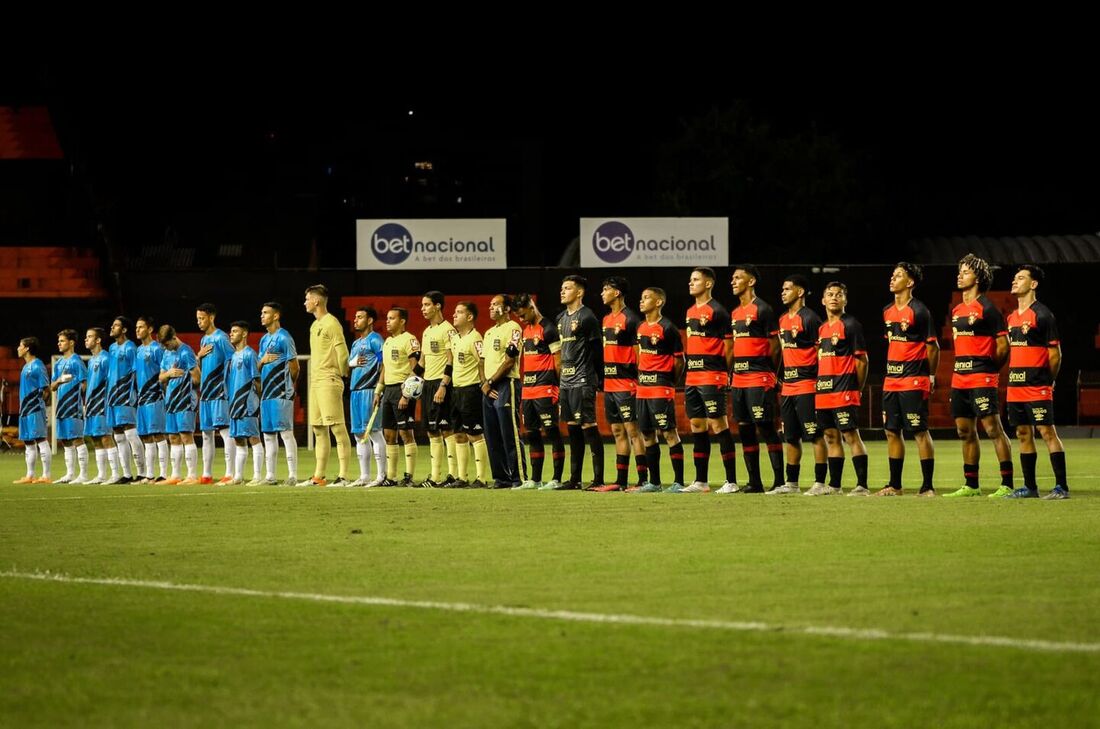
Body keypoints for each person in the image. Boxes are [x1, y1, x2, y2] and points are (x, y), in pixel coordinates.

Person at [945, 254, 1014, 498]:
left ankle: (1006, 483)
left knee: (993, 429)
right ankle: (971, 485)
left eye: (965, 271)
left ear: (978, 277)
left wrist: (990, 367)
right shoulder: (956, 310)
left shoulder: (987, 309)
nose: (960, 274)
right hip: (959, 377)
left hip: (981, 376)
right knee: (965, 431)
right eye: (960, 270)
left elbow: (1003, 345)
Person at [1005, 265, 1070, 500]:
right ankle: (1030, 488)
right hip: (1015, 386)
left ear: (1033, 284)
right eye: (1014, 278)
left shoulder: (1042, 314)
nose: (1015, 281)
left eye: (1021, 278)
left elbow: (1055, 355)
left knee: (1046, 432)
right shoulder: (1012, 317)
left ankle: (1061, 487)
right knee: (1023, 433)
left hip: (1036, 385)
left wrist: (1047, 380)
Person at [879, 262, 939, 496]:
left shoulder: (920, 311)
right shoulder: (887, 310)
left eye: (899, 275)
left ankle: (927, 487)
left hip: (914, 379)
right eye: (892, 274)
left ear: (910, 282)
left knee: (919, 430)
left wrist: (930, 376)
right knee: (892, 431)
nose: (893, 279)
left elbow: (933, 347)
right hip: (890, 380)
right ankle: (895, 485)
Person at [808, 282, 870, 496]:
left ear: (845, 300)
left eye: (839, 295)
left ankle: (862, 485)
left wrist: (856, 388)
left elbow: (862, 360)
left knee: (851, 436)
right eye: (830, 294)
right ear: (823, 300)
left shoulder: (851, 325)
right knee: (831, 437)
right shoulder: (822, 328)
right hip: (824, 392)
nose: (834, 297)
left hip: (844, 391)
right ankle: (834, 486)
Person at [683, 267, 737, 494]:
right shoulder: (689, 311)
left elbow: (729, 346)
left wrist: (724, 373)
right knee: (697, 425)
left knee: (718, 424)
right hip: (692, 376)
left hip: (711, 374)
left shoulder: (718, 311)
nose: (691, 283)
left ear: (708, 284)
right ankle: (700, 481)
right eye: (690, 280)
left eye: (695, 280)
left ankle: (731, 481)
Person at [730, 265, 783, 493]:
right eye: (732, 278)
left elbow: (775, 347)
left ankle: (780, 482)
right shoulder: (735, 313)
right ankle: (754, 482)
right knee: (744, 429)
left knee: (766, 427)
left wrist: (769, 372)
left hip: (759, 378)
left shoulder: (763, 309)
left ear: (750, 282)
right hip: (739, 380)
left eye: (738, 278)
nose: (733, 281)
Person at [593, 276, 646, 492]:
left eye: (606, 289)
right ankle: (621, 480)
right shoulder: (606, 320)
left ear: (617, 293)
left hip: (627, 383)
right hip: (610, 384)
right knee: (617, 431)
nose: (602, 293)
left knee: (634, 432)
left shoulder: (631, 319)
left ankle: (643, 480)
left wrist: (639, 379)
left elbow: (639, 353)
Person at [775, 275, 825, 494]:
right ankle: (791, 483)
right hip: (788, 386)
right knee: (791, 437)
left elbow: (820, 352)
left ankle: (820, 483)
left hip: (807, 385)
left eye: (787, 289)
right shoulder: (783, 319)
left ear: (800, 292)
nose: (783, 292)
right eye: (783, 289)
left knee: (814, 435)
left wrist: (820, 380)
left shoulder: (811, 318)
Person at [634, 286, 685, 493]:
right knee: (647, 435)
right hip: (642, 389)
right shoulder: (640, 327)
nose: (642, 301)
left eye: (646, 298)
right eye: (641, 297)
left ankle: (678, 482)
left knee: (669, 433)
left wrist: (668, 381)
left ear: (658, 302)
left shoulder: (668, 328)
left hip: (660, 388)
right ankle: (654, 482)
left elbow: (680, 360)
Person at [513, 293, 565, 490]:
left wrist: (557, 388)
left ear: (531, 306)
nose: (521, 319)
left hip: (546, 389)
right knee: (532, 434)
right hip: (528, 391)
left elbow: (558, 362)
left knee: (552, 433)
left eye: (522, 314)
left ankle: (557, 478)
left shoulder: (549, 329)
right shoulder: (526, 331)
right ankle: (535, 479)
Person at [301, 284, 352, 486]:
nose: (305, 303)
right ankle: (318, 476)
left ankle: (343, 476)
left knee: (337, 428)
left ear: (316, 301)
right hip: (316, 381)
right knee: (319, 429)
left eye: (307, 299)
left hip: (329, 379)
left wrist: (343, 376)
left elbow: (343, 353)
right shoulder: (314, 326)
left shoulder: (332, 323)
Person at [556, 275, 604, 489]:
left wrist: (597, 377)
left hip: (583, 379)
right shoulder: (560, 318)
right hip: (566, 381)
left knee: (588, 426)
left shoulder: (588, 317)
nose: (562, 291)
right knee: (573, 428)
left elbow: (596, 351)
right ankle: (575, 479)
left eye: (567, 288)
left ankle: (598, 479)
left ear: (579, 292)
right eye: (562, 288)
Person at [481, 294, 526, 488]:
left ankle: (518, 477)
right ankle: (501, 477)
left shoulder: (514, 328)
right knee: (492, 434)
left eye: (495, 305)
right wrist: (484, 383)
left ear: (507, 309)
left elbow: (509, 360)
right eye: (490, 305)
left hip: (506, 383)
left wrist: (490, 381)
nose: (491, 308)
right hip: (488, 387)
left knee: (510, 432)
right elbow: (481, 361)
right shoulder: (489, 332)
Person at [377, 306, 421, 487]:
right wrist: (378, 390)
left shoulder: (409, 340)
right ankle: (391, 477)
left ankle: (409, 476)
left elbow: (416, 366)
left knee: (405, 433)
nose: (387, 321)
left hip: (403, 390)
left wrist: (407, 393)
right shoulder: (387, 342)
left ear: (402, 321)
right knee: (388, 434)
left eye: (392, 318)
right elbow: (385, 367)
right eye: (387, 318)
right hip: (388, 390)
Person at [447, 301, 490, 487]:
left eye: (459, 312)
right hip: (456, 390)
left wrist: (483, 384)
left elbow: (483, 361)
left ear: (470, 317)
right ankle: (462, 477)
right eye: (455, 312)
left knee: (475, 434)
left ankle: (481, 478)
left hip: (471, 390)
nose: (454, 315)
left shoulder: (476, 338)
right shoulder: (455, 338)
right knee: (459, 434)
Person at [419, 291, 459, 487]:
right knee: (431, 431)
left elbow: (451, 361)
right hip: (428, 385)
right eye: (422, 305)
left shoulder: (448, 330)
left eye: (427, 305)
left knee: (446, 429)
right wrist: (409, 381)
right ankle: (435, 476)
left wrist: (443, 385)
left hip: (441, 384)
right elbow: (422, 362)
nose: (423, 309)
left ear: (438, 306)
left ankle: (452, 475)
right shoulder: (426, 332)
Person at [258, 302, 300, 485]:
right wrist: (262, 361)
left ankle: (292, 475)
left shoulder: (284, 337)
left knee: (286, 433)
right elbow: (259, 365)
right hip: (266, 393)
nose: (262, 315)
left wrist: (288, 387)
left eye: (265, 313)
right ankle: (270, 475)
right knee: (268, 435)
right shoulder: (263, 340)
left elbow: (295, 367)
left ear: (276, 316)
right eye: (262, 312)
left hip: (281, 392)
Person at [195, 304, 235, 484]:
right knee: (206, 434)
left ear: (211, 317)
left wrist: (226, 385)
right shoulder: (204, 341)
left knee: (225, 431)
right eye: (197, 319)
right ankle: (207, 474)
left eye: (202, 318)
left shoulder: (221, 338)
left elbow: (233, 359)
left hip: (219, 392)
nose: (199, 322)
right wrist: (199, 356)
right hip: (206, 394)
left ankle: (230, 473)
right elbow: (202, 368)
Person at [348, 306, 386, 487]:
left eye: (360, 317)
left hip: (370, 390)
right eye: (355, 317)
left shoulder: (376, 340)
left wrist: (379, 388)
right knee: (358, 434)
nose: (355, 320)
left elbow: (384, 364)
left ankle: (381, 476)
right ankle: (364, 476)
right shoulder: (356, 344)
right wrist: (352, 362)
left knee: (375, 431)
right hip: (355, 391)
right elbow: (349, 364)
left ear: (370, 320)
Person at [158, 325, 199, 484]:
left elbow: (197, 378)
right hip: (171, 401)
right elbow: (161, 377)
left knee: (186, 436)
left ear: (174, 337)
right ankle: (175, 475)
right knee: (173, 437)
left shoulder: (186, 351)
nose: (165, 347)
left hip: (185, 399)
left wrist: (183, 379)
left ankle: (192, 476)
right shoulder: (167, 353)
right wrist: (169, 374)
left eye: (167, 344)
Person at [108, 316, 144, 483]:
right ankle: (127, 474)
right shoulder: (112, 348)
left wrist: (135, 395)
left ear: (123, 330)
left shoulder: (131, 348)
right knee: (118, 436)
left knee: (130, 433)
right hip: (112, 396)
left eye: (116, 325)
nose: (112, 327)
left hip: (125, 395)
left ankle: (142, 472)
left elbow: (136, 372)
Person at [227, 321, 264, 485]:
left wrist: (258, 401)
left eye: (235, 331)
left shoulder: (250, 354)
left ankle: (257, 476)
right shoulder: (233, 356)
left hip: (248, 403)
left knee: (253, 438)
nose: (231, 334)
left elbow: (256, 380)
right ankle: (238, 477)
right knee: (238, 440)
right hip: (235, 404)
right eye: (231, 331)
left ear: (244, 334)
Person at [83, 327, 120, 484]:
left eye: (89, 336)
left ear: (98, 340)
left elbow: (111, 382)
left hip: (102, 404)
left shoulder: (106, 358)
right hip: (91, 404)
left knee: (105, 437)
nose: (86, 339)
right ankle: (101, 475)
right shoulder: (91, 360)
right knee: (95, 438)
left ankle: (116, 474)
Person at [51, 329, 88, 484]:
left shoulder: (77, 361)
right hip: (61, 407)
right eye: (59, 341)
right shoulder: (58, 363)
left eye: (62, 341)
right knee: (65, 440)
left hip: (74, 407)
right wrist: (59, 381)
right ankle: (70, 474)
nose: (59, 344)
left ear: (71, 342)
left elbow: (85, 384)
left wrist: (76, 392)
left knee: (77, 439)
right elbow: (52, 386)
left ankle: (84, 475)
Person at [134, 316, 168, 482]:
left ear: (149, 329)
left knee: (158, 435)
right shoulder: (138, 350)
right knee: (146, 436)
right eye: (136, 327)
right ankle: (150, 474)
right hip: (142, 399)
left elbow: (164, 371)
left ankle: (163, 474)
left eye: (141, 327)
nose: (137, 330)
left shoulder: (157, 349)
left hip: (155, 397)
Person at [13, 337, 52, 483]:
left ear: (27, 348)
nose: (18, 348)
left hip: (35, 408)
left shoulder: (38, 365)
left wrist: (41, 405)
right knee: (28, 441)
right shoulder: (25, 366)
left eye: (20, 345)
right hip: (25, 409)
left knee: (41, 439)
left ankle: (46, 476)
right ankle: (30, 475)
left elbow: (46, 389)